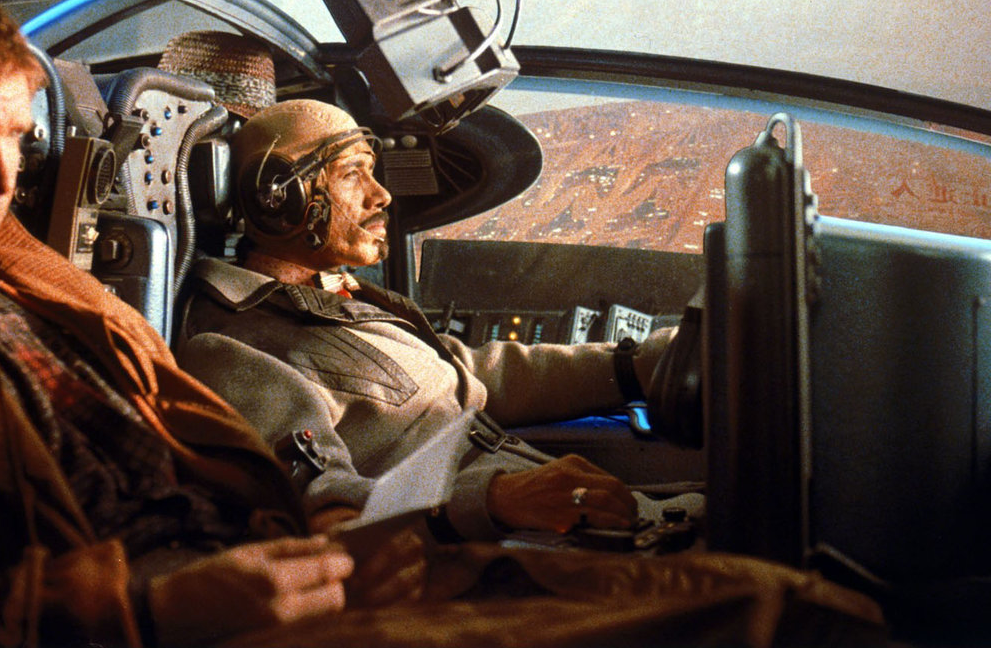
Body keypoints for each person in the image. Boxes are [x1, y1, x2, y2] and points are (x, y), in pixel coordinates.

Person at [0, 0, 883, 647]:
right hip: (183, 613)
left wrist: (382, 532)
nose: (1, 179)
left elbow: (253, 458)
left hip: (273, 565)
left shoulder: (23, 277)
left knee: (802, 603)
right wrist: (150, 606)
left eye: (17, 142)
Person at [176, 98, 694, 542]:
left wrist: (639, 365)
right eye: (352, 174)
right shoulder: (230, 346)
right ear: (278, 198)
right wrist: (492, 499)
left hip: (572, 526)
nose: (381, 195)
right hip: (494, 553)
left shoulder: (327, 298)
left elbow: (471, 374)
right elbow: (325, 513)